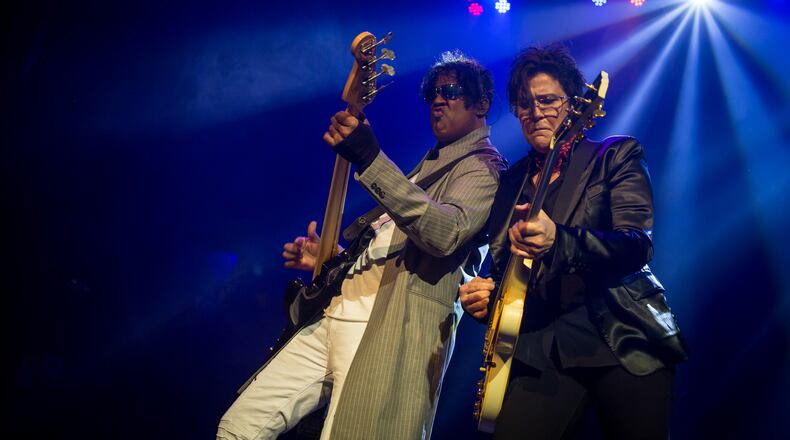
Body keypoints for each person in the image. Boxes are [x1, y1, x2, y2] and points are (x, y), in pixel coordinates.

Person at [217, 51, 507, 440]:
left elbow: (444, 233)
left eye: (451, 91)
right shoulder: (428, 165)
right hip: (335, 315)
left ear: (482, 104)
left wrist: (371, 157)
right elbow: (395, 248)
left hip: (381, 331)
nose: (438, 100)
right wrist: (335, 258)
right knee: (238, 427)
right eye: (433, 93)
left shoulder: (483, 166)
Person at [459, 44, 688, 439]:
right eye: (525, 103)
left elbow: (635, 245)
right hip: (541, 352)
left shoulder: (614, 155)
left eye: (548, 100)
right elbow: (501, 269)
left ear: (573, 104)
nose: (536, 112)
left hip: (621, 340)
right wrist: (484, 297)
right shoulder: (510, 182)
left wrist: (559, 241)